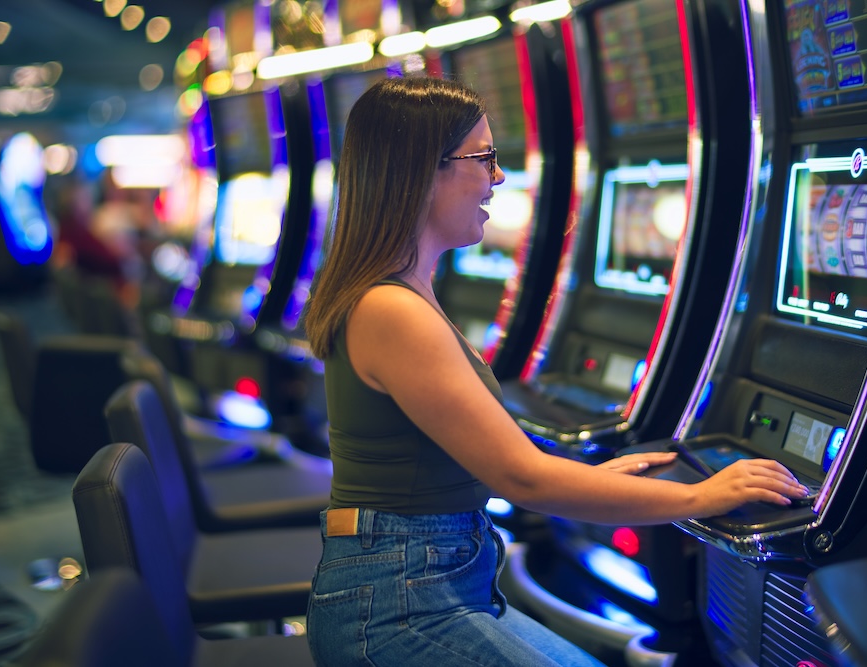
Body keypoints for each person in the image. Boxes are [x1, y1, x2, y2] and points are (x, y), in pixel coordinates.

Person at [303, 76, 808, 666]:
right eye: (484, 157)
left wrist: (610, 479)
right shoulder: (390, 309)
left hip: (426, 583)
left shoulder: (400, 292)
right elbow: (526, 482)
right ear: (422, 170)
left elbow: (488, 463)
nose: (499, 177)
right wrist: (702, 495)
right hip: (396, 607)